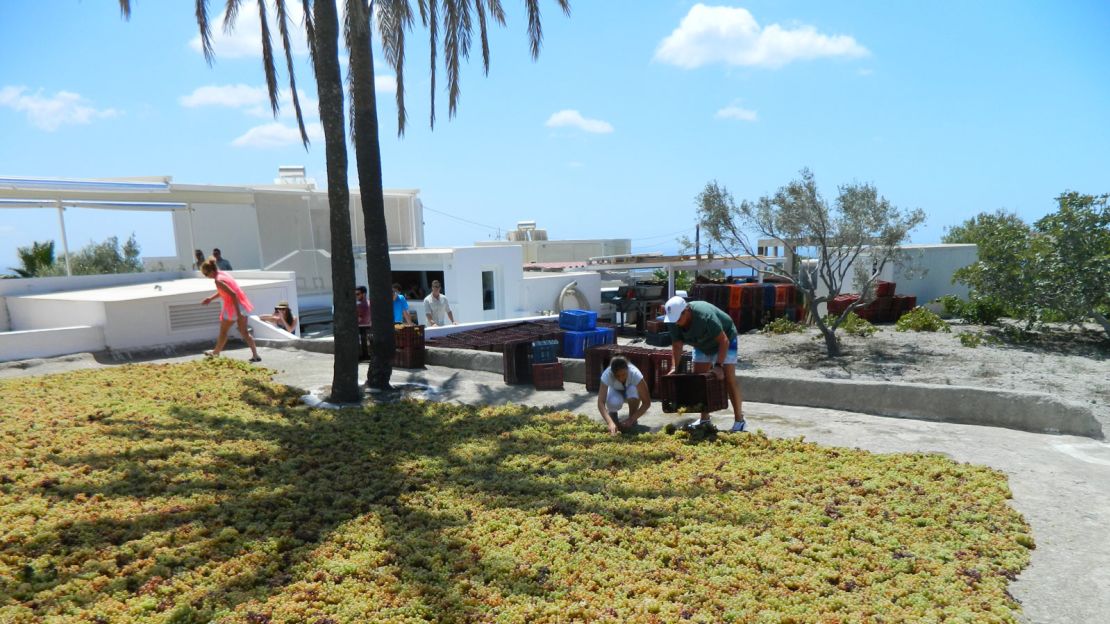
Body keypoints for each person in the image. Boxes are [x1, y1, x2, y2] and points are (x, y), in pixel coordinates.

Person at [664, 296, 745, 432]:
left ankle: (739, 420)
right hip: (701, 343)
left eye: (679, 319)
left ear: (687, 311)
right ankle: (704, 419)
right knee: (699, 380)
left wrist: (718, 366)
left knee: (729, 379)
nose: (677, 323)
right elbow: (677, 345)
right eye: (674, 320)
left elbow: (723, 341)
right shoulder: (673, 320)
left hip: (726, 339)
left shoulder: (705, 317)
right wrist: (674, 368)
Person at [200, 257, 260, 362]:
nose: (206, 276)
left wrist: (238, 313)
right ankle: (255, 355)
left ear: (211, 270)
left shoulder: (218, 281)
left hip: (233, 308)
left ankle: (216, 353)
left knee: (223, 332)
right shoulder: (223, 274)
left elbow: (232, 294)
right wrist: (211, 298)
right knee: (244, 332)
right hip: (241, 304)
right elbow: (226, 291)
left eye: (206, 274)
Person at [597, 356, 652, 436]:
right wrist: (609, 422)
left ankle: (632, 419)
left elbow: (647, 403)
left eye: (623, 374)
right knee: (613, 402)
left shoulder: (635, 374)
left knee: (633, 391)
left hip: (631, 391)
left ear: (627, 369)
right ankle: (613, 416)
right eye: (617, 376)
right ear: (612, 373)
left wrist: (632, 419)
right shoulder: (607, 375)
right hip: (615, 390)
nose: (621, 378)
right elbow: (600, 402)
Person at [356, 286, 371, 359]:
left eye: (358, 294)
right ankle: (366, 355)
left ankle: (364, 356)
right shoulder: (369, 302)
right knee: (365, 343)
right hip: (369, 326)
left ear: (364, 294)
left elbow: (359, 318)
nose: (356, 296)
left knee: (362, 343)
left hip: (361, 327)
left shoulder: (361, 305)